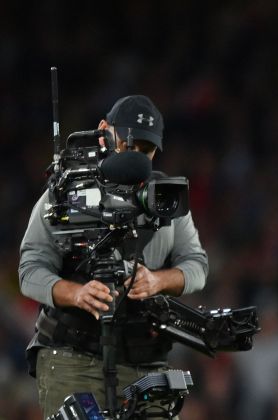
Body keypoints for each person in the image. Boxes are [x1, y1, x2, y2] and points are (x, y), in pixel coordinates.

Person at [19, 95, 209, 418]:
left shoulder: (166, 198)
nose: (135, 156)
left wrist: (157, 280)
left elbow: (197, 266)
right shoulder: (66, 191)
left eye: (145, 150)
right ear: (104, 130)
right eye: (128, 144)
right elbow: (30, 269)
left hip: (145, 363)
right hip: (73, 358)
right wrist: (76, 293)